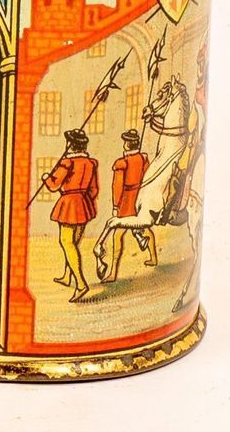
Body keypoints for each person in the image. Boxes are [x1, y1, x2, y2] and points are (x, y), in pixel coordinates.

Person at [43, 128, 100, 302]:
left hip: (69, 204)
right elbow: (94, 190)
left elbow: (53, 185)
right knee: (74, 243)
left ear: (70, 145)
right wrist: (83, 199)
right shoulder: (91, 163)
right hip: (84, 204)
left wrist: (46, 177)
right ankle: (67, 276)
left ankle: (81, 284)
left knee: (67, 242)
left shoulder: (67, 162)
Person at [97, 128, 155, 281]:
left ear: (127, 144)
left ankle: (113, 273)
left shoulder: (122, 163)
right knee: (144, 227)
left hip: (127, 200)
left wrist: (116, 206)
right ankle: (153, 257)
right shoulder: (143, 159)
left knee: (118, 235)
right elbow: (147, 177)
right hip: (140, 197)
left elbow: (117, 186)